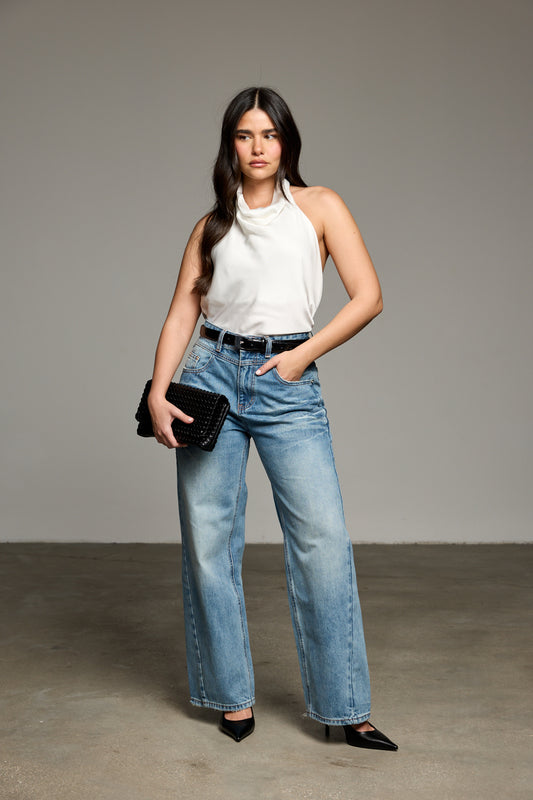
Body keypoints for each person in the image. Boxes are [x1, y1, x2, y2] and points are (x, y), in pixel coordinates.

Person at [146, 87, 397, 751]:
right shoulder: (211, 225)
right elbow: (182, 311)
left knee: (322, 540)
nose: (257, 147)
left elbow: (368, 296)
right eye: (244, 135)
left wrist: (301, 357)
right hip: (209, 377)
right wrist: (158, 391)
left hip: (285, 379)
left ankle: (345, 707)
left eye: (269, 134)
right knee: (210, 542)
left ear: (287, 141)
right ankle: (231, 697)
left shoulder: (320, 206)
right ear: (229, 144)